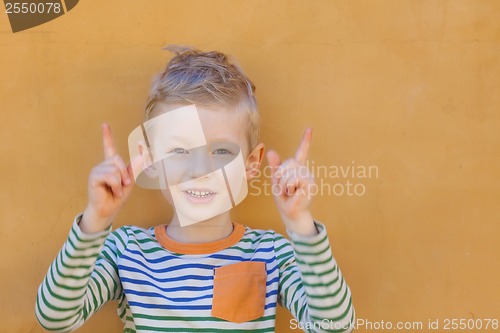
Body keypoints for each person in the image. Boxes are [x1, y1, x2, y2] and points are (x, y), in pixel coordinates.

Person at [35, 45, 355, 332]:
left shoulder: (272, 254)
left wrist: (301, 223)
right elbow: (55, 318)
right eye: (178, 151)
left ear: (251, 164)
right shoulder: (127, 251)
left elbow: (335, 326)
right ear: (151, 162)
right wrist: (95, 220)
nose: (201, 170)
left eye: (221, 152)